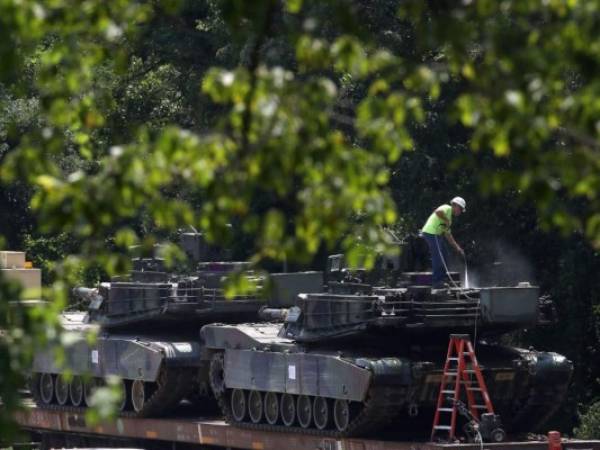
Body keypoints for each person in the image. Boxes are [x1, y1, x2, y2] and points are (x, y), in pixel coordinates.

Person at [421, 197, 466, 288]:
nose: (460, 211)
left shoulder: (449, 218)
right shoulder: (447, 208)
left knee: (445, 255)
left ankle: (441, 279)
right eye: (460, 209)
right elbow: (437, 212)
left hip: (436, 235)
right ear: (455, 205)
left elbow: (448, 235)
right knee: (438, 256)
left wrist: (458, 248)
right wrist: (446, 219)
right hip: (431, 232)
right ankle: (437, 282)